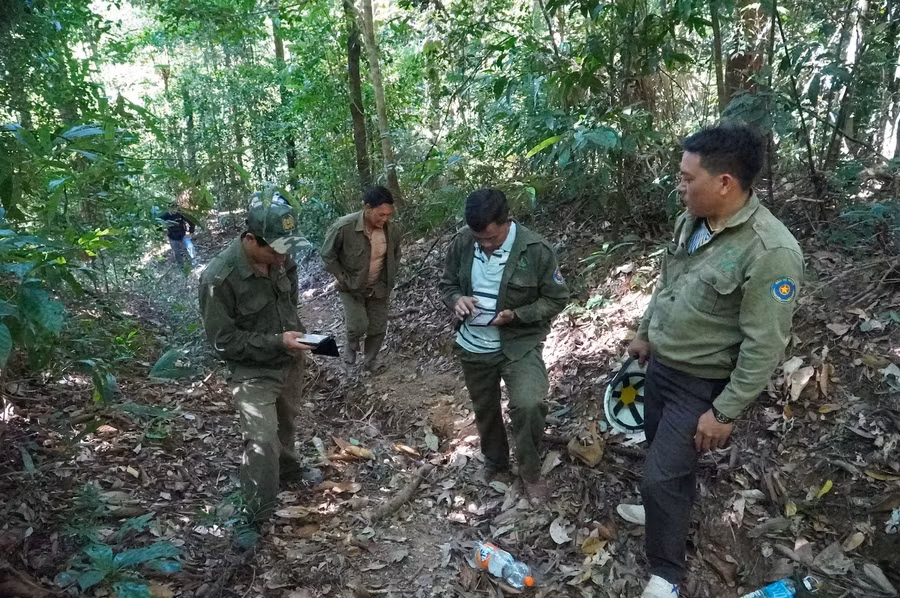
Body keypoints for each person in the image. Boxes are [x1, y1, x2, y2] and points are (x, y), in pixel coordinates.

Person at [626, 125, 804, 598]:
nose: (680, 186)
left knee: (661, 473)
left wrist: (724, 411)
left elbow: (765, 343)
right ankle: (663, 512)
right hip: (661, 369)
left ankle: (665, 574)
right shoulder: (694, 221)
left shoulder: (771, 251)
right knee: (663, 468)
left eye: (687, 178)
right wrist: (645, 333)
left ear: (724, 181)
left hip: (699, 385)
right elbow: (669, 282)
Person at [439, 188, 569, 504]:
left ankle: (530, 471)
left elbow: (556, 297)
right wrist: (457, 300)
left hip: (518, 343)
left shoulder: (536, 250)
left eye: (491, 239)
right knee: (485, 409)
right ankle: (495, 462)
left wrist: (517, 315)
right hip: (473, 344)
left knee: (528, 403)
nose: (484, 245)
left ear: (507, 222)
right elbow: (447, 284)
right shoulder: (462, 242)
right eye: (478, 239)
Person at [199, 196, 312, 524]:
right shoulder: (218, 279)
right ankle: (255, 515)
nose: (283, 257)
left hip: (289, 359)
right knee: (262, 440)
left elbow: (289, 301)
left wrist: (299, 338)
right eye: (275, 250)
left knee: (287, 419)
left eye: (287, 249)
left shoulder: (283, 260)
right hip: (252, 369)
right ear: (250, 240)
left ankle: (289, 470)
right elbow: (223, 342)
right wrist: (277, 341)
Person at [321, 186, 401, 371]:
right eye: (380, 214)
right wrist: (342, 278)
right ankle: (351, 344)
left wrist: (389, 276)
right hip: (351, 286)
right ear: (367, 208)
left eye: (388, 215)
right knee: (358, 325)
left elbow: (396, 254)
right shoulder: (343, 227)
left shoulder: (392, 230)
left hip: (379, 286)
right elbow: (327, 255)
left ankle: (370, 360)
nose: (385, 219)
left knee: (378, 327)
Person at [161, 201, 196, 268]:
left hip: (183, 235)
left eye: (175, 208)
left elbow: (192, 222)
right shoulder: (165, 216)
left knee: (190, 247)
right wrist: (163, 231)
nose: (174, 210)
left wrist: (191, 232)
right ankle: (181, 267)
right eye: (172, 208)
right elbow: (156, 223)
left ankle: (194, 263)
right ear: (168, 208)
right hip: (172, 237)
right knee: (177, 253)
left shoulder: (181, 214)